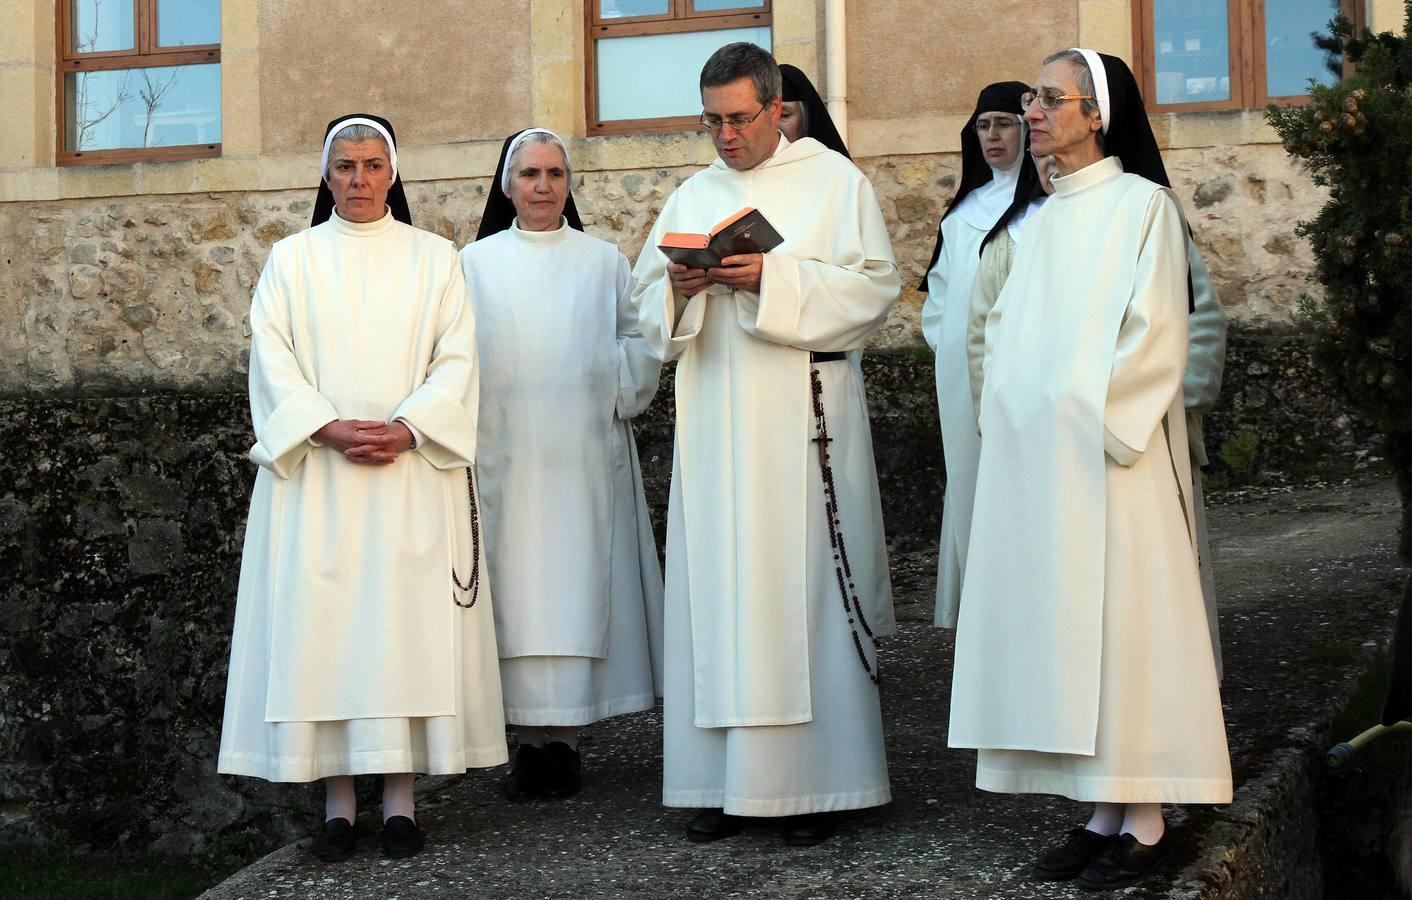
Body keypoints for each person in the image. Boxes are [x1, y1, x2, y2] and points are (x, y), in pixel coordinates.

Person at [948, 51, 1232, 891]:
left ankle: (1145, 817)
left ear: (1097, 113)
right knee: (1069, 637)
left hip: (1114, 459)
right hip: (1040, 462)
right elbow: (996, 331)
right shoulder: (1036, 220)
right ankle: (1101, 810)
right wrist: (1009, 413)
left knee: (1125, 634)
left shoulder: (1143, 208)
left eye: (1048, 99)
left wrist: (1091, 420)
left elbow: (1157, 335)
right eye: (1031, 97)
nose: (1033, 111)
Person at [217, 114, 507, 863]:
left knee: (401, 634)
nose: (358, 179)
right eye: (344, 166)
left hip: (406, 478)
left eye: (373, 165)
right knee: (329, 636)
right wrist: (323, 426)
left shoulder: (436, 258)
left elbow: (458, 357)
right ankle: (340, 806)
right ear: (326, 175)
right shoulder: (292, 259)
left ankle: (403, 803)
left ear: (393, 173)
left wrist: (410, 428)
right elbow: (271, 356)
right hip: (321, 481)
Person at [631, 42, 899, 847]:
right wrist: (678, 290)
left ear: (776, 108)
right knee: (718, 597)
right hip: (715, 423)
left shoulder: (834, 183)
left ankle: (816, 786)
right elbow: (645, 315)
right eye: (711, 121)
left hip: (800, 424)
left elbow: (875, 288)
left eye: (739, 118)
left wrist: (770, 281)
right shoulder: (691, 194)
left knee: (802, 594)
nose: (725, 135)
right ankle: (719, 783)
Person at [460, 128, 664, 801]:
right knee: (514, 595)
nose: (542, 186)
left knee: (576, 588)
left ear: (568, 184)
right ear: (506, 184)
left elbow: (637, 339)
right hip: (504, 457)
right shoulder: (472, 264)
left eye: (554, 174)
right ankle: (525, 744)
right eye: (528, 174)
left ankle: (568, 743)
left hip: (582, 456)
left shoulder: (603, 261)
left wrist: (609, 379)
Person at [917, 82, 1038, 629]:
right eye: (984, 125)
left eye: (1006, 123)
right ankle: (979, 614)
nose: (993, 135)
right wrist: (952, 352)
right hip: (960, 378)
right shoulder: (962, 212)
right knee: (970, 482)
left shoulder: (1045, 209)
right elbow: (939, 301)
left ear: (1028, 128)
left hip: (1024, 375)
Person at [777, 64, 850, 157]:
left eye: (784, 115)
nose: (774, 127)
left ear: (805, 117)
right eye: (766, 117)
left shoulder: (835, 167)